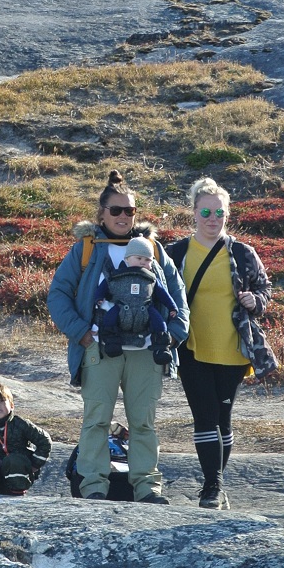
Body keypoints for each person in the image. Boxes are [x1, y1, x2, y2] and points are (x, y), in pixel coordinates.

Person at [47, 168, 189, 504]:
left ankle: (147, 490)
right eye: (116, 210)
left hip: (146, 352)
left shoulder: (152, 248)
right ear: (102, 213)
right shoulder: (85, 249)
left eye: (130, 210)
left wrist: (175, 333)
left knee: (144, 424)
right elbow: (58, 295)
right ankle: (94, 487)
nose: (124, 216)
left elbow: (177, 292)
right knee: (96, 421)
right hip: (100, 349)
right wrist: (82, 334)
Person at [167, 177, 274, 510]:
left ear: (228, 215)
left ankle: (216, 482)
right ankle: (212, 487)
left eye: (220, 213)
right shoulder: (177, 253)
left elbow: (265, 290)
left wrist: (255, 301)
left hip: (232, 348)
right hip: (191, 347)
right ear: (194, 214)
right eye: (206, 212)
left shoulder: (243, 253)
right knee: (205, 415)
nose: (213, 218)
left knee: (223, 418)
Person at [94, 238, 179, 368]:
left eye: (147, 260)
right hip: (120, 306)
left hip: (146, 308)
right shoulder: (116, 275)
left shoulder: (152, 279)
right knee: (109, 319)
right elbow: (105, 285)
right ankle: (112, 343)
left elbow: (163, 293)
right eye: (139, 258)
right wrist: (98, 297)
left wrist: (172, 307)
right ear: (127, 258)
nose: (143, 263)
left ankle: (161, 349)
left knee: (159, 323)